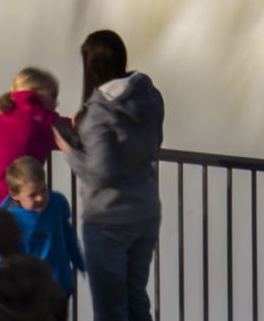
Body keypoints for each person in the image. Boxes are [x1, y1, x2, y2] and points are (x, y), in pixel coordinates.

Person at [61, 29, 165, 321]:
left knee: (111, 310)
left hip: (108, 221)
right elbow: (155, 142)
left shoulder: (98, 115)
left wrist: (67, 147)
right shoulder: (149, 95)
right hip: (145, 212)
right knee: (136, 300)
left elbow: (99, 174)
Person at [0, 68, 70, 270]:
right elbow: (73, 132)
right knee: (16, 281)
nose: (56, 103)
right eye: (53, 95)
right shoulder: (42, 119)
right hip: (10, 209)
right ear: (38, 92)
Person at [0, 156, 84, 310]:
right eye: (32, 195)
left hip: (60, 286)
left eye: (44, 189)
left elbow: (68, 235)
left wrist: (81, 262)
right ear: (14, 194)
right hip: (30, 292)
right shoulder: (8, 219)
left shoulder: (57, 202)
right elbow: (4, 259)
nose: (41, 198)